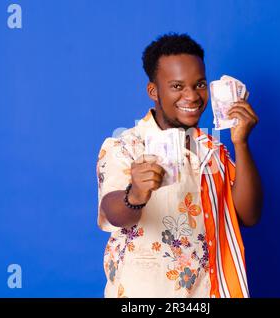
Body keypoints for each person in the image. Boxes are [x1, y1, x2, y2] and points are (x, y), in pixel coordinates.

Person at [96, 33, 263, 298]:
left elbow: (248, 215)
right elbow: (113, 212)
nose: (192, 96)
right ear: (154, 91)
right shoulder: (125, 146)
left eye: (199, 85)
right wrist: (136, 194)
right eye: (177, 86)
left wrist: (241, 143)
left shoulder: (213, 148)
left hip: (207, 293)